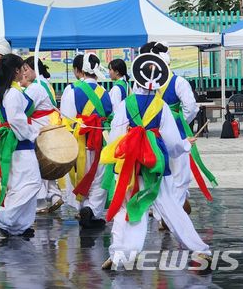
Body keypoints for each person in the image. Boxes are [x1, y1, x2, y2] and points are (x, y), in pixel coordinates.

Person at [100, 52, 212, 270]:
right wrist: (186, 144)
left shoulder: (125, 104)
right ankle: (200, 250)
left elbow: (115, 139)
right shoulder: (161, 107)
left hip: (131, 167)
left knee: (129, 209)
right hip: (157, 167)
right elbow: (172, 143)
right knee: (172, 209)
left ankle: (119, 254)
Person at [140, 42, 215, 220]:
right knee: (178, 175)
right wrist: (178, 122)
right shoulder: (178, 82)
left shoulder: (143, 85)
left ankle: (166, 212)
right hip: (172, 134)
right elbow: (191, 107)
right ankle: (172, 212)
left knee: (161, 174)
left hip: (152, 136)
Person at [0, 54, 42, 238]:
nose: (25, 72)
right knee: (32, 183)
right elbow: (16, 120)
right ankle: (4, 217)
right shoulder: (14, 93)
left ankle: (18, 226)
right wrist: (33, 133)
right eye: (23, 69)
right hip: (19, 143)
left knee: (18, 186)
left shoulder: (6, 92)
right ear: (16, 70)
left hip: (11, 142)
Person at [59, 53, 112, 229]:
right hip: (101, 140)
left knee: (80, 175)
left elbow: (67, 119)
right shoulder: (105, 92)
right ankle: (92, 209)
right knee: (99, 177)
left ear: (77, 70)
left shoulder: (72, 90)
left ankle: (82, 207)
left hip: (80, 140)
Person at [20, 56, 64, 214]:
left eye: (26, 70)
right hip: (46, 123)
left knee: (40, 163)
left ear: (33, 70)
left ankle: (41, 201)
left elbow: (24, 108)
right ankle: (54, 195)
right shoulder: (44, 83)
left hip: (40, 126)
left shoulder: (36, 86)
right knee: (46, 162)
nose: (23, 73)